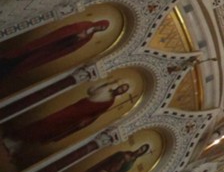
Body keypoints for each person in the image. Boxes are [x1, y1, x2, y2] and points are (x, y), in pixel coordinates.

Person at [4, 80, 134, 149]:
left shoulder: (110, 102)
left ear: (121, 93)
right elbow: (90, 91)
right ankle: (18, 136)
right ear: (118, 86)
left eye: (123, 90)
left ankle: (21, 141)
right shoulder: (106, 88)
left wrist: (85, 121)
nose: (120, 90)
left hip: (77, 117)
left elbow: (95, 115)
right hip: (75, 108)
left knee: (52, 129)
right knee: (48, 121)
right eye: (122, 87)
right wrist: (104, 84)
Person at [0, 18, 111, 81]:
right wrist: (76, 35)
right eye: (101, 26)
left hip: (53, 49)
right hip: (50, 41)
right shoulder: (86, 24)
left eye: (102, 29)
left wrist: (77, 39)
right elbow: (68, 29)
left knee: (30, 60)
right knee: (25, 51)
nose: (100, 28)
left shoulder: (89, 37)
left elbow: (73, 48)